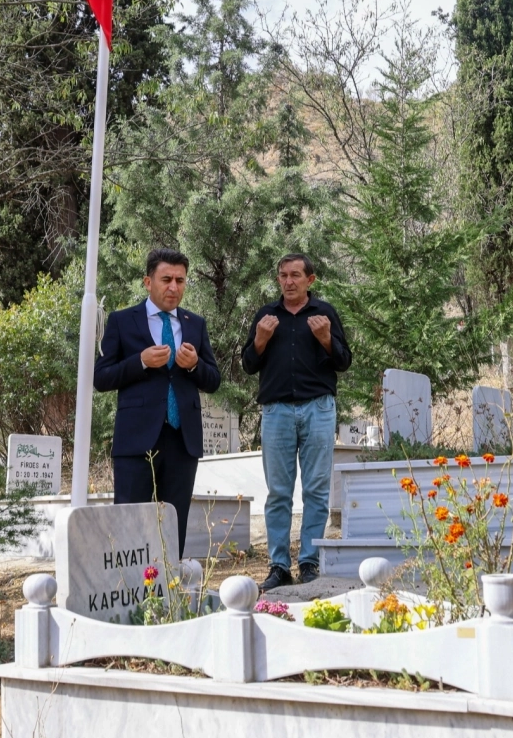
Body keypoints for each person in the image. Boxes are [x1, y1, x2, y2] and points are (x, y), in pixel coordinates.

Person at [94, 248, 221, 556]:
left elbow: (213, 380)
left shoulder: (195, 324)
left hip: (182, 441)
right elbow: (101, 378)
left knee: (172, 528)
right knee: (129, 526)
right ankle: (129, 585)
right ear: (148, 282)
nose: (173, 287)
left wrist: (194, 365)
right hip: (136, 440)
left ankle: (169, 583)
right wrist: (140, 361)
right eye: (166, 279)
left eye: (180, 280)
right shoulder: (122, 321)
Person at [241, 254, 352, 592]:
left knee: (316, 489)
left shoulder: (324, 313)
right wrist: (260, 339)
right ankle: (278, 566)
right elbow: (248, 364)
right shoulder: (266, 316)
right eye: (283, 275)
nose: (288, 281)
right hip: (276, 412)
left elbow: (344, 361)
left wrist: (326, 338)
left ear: (310, 280)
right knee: (278, 492)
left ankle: (309, 562)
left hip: (318, 409)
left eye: (295, 275)